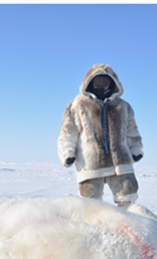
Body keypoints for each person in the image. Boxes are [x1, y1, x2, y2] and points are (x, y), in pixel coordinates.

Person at [57, 64, 143, 207]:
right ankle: (94, 225)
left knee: (128, 193)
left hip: (121, 163)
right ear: (89, 83)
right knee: (91, 202)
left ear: (113, 83)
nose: (101, 86)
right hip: (90, 163)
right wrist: (67, 153)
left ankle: (127, 221)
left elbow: (132, 131)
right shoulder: (78, 105)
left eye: (105, 82)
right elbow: (68, 132)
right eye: (97, 82)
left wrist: (136, 149)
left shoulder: (123, 106)